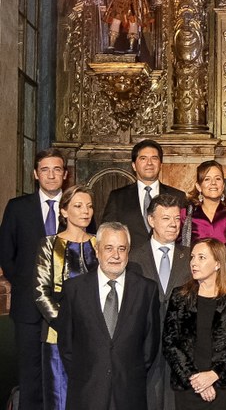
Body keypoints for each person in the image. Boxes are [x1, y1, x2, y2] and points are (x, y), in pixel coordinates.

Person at [57, 222, 160, 410]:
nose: (116, 255)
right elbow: (66, 345)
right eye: (109, 248)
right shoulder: (74, 289)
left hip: (129, 394)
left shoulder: (147, 290)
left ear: (128, 252)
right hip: (86, 394)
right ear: (97, 251)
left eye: (122, 248)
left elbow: (149, 346)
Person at [0, 148, 67, 409]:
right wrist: (26, 285)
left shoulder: (77, 207)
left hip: (66, 308)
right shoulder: (17, 207)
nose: (51, 175)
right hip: (27, 307)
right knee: (30, 376)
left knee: (64, 372)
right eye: (45, 170)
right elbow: (6, 253)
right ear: (35, 174)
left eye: (56, 169)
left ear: (65, 174)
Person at [163, 239, 226, 409]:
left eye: (201, 257)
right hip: (190, 388)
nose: (193, 263)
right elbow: (170, 343)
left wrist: (215, 374)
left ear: (218, 264)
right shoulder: (180, 296)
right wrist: (195, 379)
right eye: (192, 257)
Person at [34, 184, 99, 410]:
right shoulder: (49, 244)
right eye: (78, 206)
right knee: (59, 398)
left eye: (89, 206)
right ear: (63, 211)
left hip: (96, 336)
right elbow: (41, 292)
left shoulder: (99, 243)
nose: (86, 211)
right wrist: (67, 324)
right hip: (57, 335)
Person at [128, 193, 190, 410]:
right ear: (151, 220)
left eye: (177, 218)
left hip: (182, 352)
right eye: (166, 218)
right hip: (144, 348)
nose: (173, 224)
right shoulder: (133, 259)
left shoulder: (191, 257)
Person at [102, 139, 186, 247]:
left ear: (160, 164)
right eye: (143, 158)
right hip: (131, 256)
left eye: (154, 158)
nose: (149, 163)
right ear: (134, 165)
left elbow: (185, 235)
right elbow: (107, 232)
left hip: (166, 255)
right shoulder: (118, 197)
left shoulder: (177, 196)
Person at [180, 161, 226, 245]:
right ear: (198, 187)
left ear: (223, 185)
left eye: (218, 179)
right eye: (207, 179)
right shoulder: (187, 214)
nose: (213, 183)